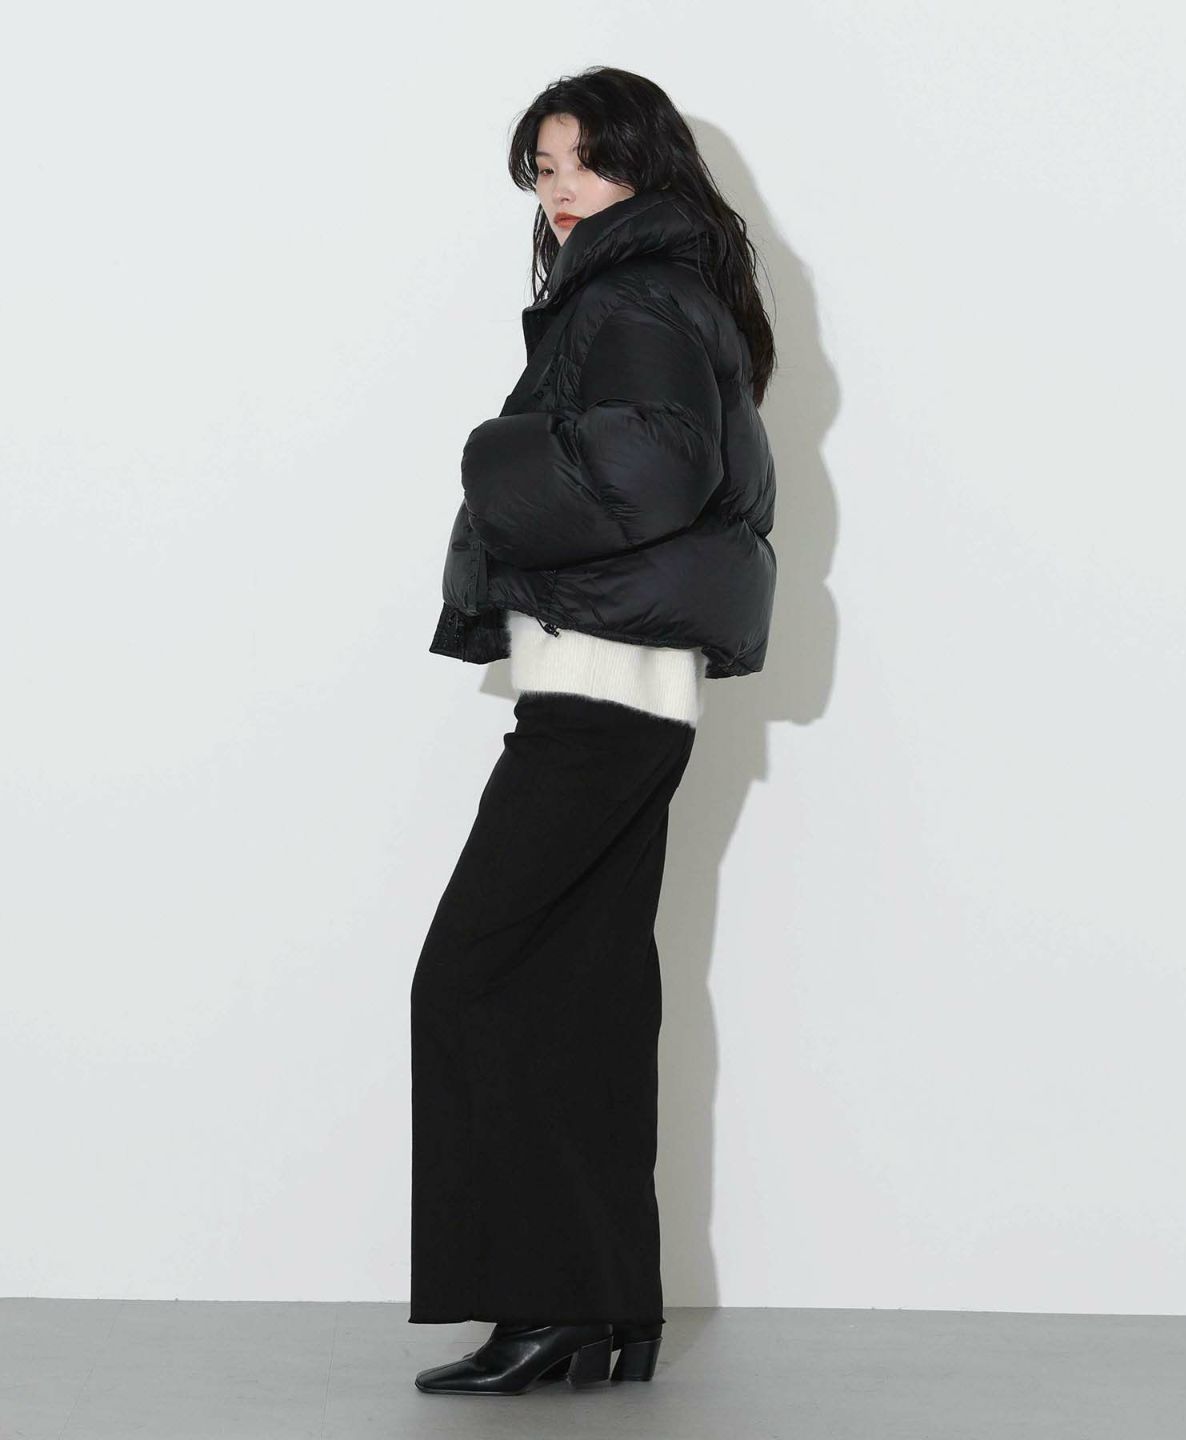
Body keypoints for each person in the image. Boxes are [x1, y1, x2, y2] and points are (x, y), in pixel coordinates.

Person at [409, 64, 778, 1396]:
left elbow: (648, 471)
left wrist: (490, 457)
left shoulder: (632, 297)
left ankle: (542, 1302)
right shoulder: (664, 291)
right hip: (633, 690)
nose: (560, 190)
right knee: (583, 999)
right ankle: (602, 1310)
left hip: (600, 689)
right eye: (545, 168)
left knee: (478, 983)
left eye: (583, 161)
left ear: (646, 167)